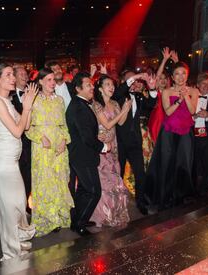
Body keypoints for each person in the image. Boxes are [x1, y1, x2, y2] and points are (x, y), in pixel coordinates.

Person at [0, 63, 37, 260]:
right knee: (10, 210)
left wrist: (29, 105)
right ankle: (10, 253)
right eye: (7, 74)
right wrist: (25, 107)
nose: (12, 78)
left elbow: (25, 126)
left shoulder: (7, 101)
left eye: (12, 74)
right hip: (4, 163)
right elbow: (17, 132)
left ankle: (17, 244)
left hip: (12, 162)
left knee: (18, 204)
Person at [25, 68, 74, 236]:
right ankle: (46, 219)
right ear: (40, 82)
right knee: (44, 183)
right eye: (49, 80)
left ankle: (58, 218)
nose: (53, 83)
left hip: (59, 147)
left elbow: (64, 125)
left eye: (54, 80)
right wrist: (39, 137)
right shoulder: (33, 100)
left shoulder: (59, 100)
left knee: (59, 181)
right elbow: (27, 127)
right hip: (42, 148)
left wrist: (64, 140)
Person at [145, 62, 198, 210]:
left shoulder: (194, 91)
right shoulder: (167, 92)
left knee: (184, 164)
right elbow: (168, 112)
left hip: (186, 133)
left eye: (183, 73)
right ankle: (164, 196)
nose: (180, 77)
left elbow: (193, 111)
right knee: (167, 164)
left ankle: (181, 196)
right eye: (177, 74)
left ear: (187, 75)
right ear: (172, 77)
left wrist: (186, 95)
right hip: (168, 132)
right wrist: (179, 99)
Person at [66, 72, 111, 236]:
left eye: (92, 84)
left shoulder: (81, 104)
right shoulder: (78, 107)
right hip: (82, 155)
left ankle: (79, 220)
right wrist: (104, 146)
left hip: (81, 154)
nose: (93, 87)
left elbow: (86, 132)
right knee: (94, 191)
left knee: (83, 190)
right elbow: (86, 136)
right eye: (88, 85)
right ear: (78, 88)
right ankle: (79, 224)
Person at [113, 71, 157, 215]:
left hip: (135, 141)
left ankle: (140, 202)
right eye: (130, 80)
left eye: (135, 80)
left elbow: (150, 104)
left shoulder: (138, 96)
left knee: (140, 173)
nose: (134, 83)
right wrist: (136, 77)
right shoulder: (118, 96)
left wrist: (152, 88)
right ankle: (117, 205)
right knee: (118, 174)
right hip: (119, 141)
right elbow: (121, 89)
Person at [90, 74, 131, 227]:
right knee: (104, 179)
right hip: (101, 145)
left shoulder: (114, 103)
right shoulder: (96, 104)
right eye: (108, 84)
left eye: (112, 84)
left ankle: (114, 211)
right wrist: (123, 110)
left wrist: (125, 110)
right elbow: (107, 125)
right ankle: (102, 214)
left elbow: (120, 122)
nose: (112, 87)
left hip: (113, 144)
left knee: (115, 177)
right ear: (100, 88)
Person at [10, 66, 32, 204]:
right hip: (16, 143)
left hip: (32, 143)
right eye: (21, 74)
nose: (25, 76)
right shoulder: (9, 97)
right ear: (14, 77)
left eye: (26, 74)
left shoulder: (34, 94)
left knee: (29, 177)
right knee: (17, 179)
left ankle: (25, 204)